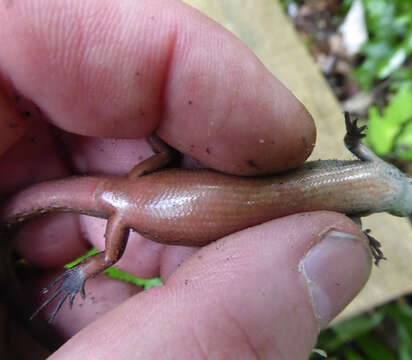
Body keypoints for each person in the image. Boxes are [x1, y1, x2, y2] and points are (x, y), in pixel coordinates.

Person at [0, 0, 371, 358]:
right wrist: (80, 273)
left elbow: (162, 159)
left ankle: (71, 268)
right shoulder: (124, 212)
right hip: (133, 199)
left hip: (140, 189)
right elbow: (112, 251)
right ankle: (79, 270)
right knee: (112, 250)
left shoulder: (131, 199)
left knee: (142, 200)